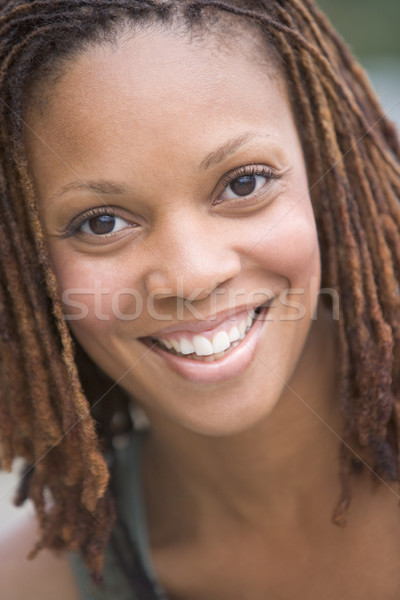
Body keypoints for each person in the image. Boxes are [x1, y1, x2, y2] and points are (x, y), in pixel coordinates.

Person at [0, 0, 399, 598]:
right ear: (24, 263)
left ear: (327, 163)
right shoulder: (39, 584)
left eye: (244, 183)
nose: (191, 277)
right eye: (102, 222)